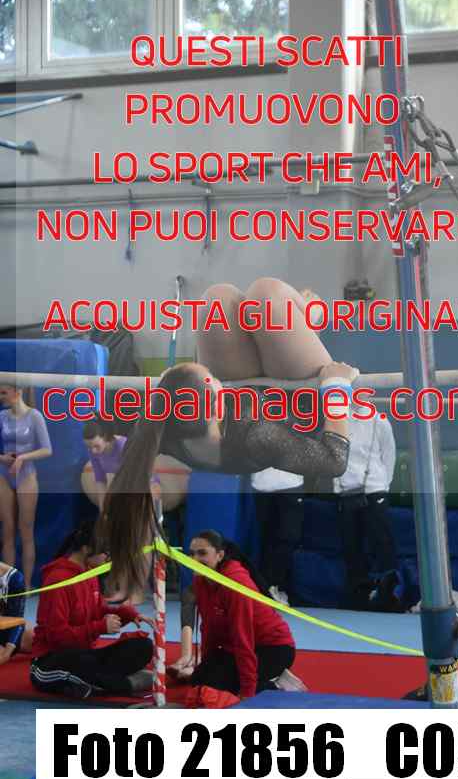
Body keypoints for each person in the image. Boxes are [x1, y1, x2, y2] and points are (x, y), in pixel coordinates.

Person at [98, 277, 357, 596]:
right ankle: (308, 318)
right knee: (266, 295)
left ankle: (296, 320)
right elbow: (334, 462)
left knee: (216, 300)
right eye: (212, 379)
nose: (214, 377)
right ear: (218, 403)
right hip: (293, 408)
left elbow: (110, 427)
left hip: (244, 397)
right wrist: (336, 388)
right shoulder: (258, 436)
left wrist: (169, 386)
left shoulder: (161, 424)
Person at [253, 405, 399, 610]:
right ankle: (359, 596)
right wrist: (338, 487)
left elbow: (389, 455)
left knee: (382, 544)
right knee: (351, 548)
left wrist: (382, 487)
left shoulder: (378, 421)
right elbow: (328, 453)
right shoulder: (333, 421)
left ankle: (389, 594)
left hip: (374, 491)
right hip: (345, 494)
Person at [167, 530, 305, 707]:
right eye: (191, 554)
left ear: (219, 555)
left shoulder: (236, 583)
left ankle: (278, 686)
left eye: (202, 553)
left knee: (224, 688)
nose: (194, 559)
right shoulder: (201, 582)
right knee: (200, 682)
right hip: (234, 646)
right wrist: (207, 664)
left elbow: (243, 637)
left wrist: (247, 693)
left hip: (273, 647)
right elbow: (208, 628)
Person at [30, 521, 154, 699]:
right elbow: (58, 637)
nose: (108, 558)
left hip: (83, 654)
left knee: (143, 646)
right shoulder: (58, 580)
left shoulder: (90, 573)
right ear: (86, 549)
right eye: (106, 552)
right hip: (51, 660)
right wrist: (100, 627)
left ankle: (105, 681)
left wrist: (127, 613)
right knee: (83, 662)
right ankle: (124, 684)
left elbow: (97, 610)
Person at [0, 385, 52, 588]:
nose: (1, 397)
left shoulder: (34, 416)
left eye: (4, 393)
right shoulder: (2, 416)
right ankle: (7, 586)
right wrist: (3, 458)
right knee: (7, 531)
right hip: (4, 475)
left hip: (26, 475)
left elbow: (47, 449)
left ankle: (27, 584)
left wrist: (23, 458)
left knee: (26, 531)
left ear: (18, 392)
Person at [83, 418, 162, 512]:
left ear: (105, 437)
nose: (93, 451)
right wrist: (103, 511)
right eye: (89, 447)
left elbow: (137, 477)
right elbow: (100, 481)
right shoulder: (93, 452)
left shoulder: (122, 446)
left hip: (145, 480)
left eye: (96, 446)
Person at [0, 560, 33, 666]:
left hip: (8, 631)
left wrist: (7, 653)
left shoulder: (14, 579)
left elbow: (17, 621)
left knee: (40, 640)